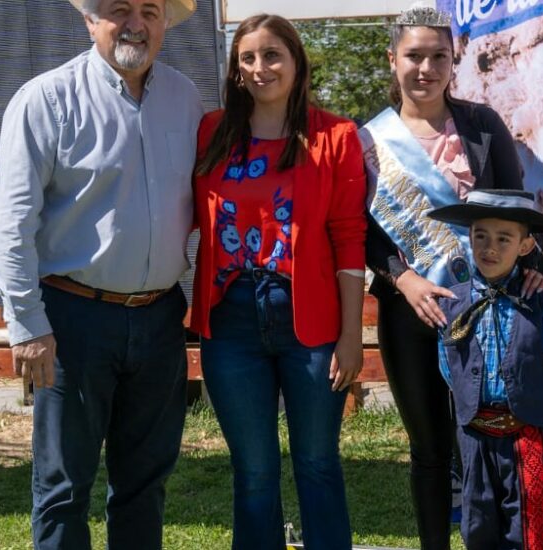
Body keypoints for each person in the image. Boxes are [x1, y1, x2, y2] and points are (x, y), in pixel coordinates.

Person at [0, 0, 203, 547]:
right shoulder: (46, 99)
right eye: (119, 10)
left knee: (145, 483)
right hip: (71, 321)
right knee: (63, 488)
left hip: (159, 319)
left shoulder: (185, 99)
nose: (136, 23)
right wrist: (29, 325)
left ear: (164, 24)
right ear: (90, 20)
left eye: (150, 11)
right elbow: (11, 222)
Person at [359, 5, 543, 548]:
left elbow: (515, 205)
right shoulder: (368, 141)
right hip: (410, 310)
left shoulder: (482, 125)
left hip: (491, 309)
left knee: (489, 437)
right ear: (392, 59)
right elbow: (364, 231)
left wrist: (529, 270)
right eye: (414, 55)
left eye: (438, 55)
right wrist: (402, 278)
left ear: (453, 60)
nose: (426, 67)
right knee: (429, 448)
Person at [189, 14, 367, 550]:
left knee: (317, 463)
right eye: (248, 57)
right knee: (255, 473)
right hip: (232, 319)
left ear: (296, 61)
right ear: (236, 69)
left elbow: (350, 239)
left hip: (308, 318)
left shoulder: (335, 136)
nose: (260, 67)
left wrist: (352, 333)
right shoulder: (211, 131)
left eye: (272, 55)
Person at [426, 189, 543, 550]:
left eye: (503, 239)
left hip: (525, 433)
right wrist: (469, 400)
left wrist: (533, 406)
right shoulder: (453, 303)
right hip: (474, 434)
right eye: (481, 236)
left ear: (524, 246)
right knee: (477, 522)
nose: (490, 248)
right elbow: (449, 363)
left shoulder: (542, 304)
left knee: (529, 529)